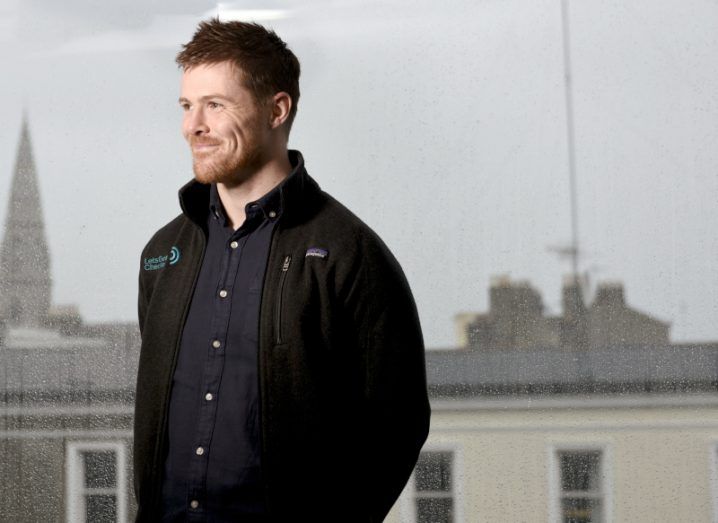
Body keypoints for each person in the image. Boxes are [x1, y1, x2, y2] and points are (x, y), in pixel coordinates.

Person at [134, 19, 430, 522]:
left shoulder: (349, 254)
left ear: (277, 109)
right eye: (187, 106)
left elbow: (397, 424)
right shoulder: (163, 253)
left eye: (215, 105)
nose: (193, 126)